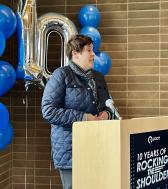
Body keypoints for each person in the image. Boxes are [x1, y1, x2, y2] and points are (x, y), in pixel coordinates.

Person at [41, 34, 113, 189]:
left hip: (98, 146)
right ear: (75, 53)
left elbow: (108, 105)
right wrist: (83, 117)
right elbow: (48, 111)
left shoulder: (99, 77)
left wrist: (108, 114)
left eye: (92, 50)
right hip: (70, 151)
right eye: (89, 50)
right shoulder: (61, 75)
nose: (93, 54)